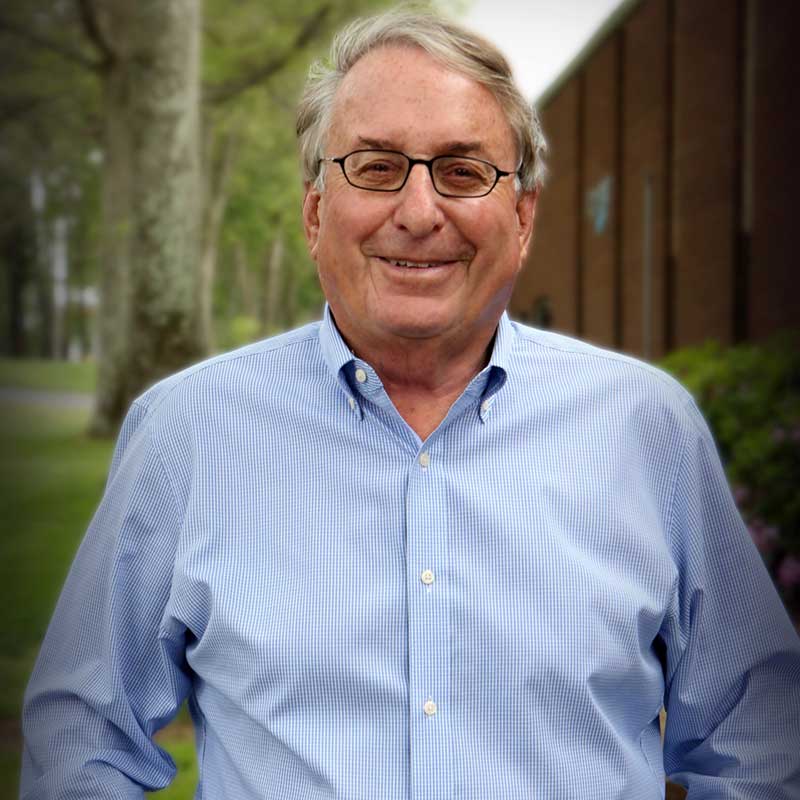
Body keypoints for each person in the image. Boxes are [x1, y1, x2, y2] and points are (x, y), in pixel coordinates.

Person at [20, 9, 800, 799]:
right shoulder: (188, 431)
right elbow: (85, 737)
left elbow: (759, 735)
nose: (420, 212)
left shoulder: (646, 426)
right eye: (377, 167)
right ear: (316, 210)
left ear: (523, 218)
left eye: (463, 172)